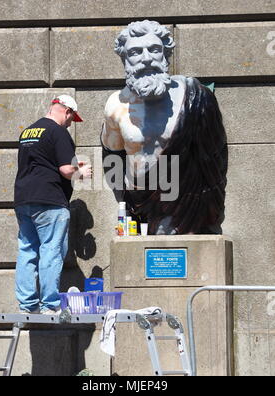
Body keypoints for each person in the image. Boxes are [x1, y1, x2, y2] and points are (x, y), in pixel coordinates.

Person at [101, 20, 227, 235]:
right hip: (140, 204)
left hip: (188, 205)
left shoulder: (195, 98)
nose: (146, 58)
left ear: (166, 54)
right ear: (125, 59)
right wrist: (125, 199)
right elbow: (112, 154)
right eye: (135, 52)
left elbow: (215, 162)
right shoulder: (116, 104)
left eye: (154, 49)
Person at [14, 95, 92, 315]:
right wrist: (81, 172)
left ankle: (27, 305)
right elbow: (66, 170)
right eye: (71, 119)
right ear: (66, 111)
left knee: (27, 251)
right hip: (49, 200)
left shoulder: (27, 132)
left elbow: (40, 163)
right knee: (51, 250)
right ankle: (50, 305)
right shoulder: (58, 132)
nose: (70, 124)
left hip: (23, 199)